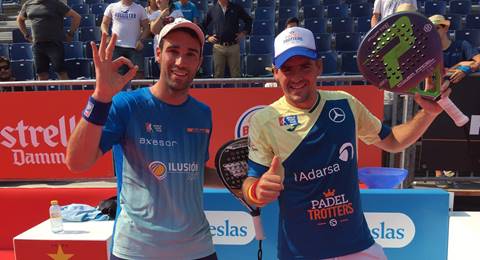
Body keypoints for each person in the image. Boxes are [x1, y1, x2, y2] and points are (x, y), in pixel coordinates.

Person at [242, 27, 447, 260]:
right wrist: (257, 190)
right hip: (301, 253)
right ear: (276, 73)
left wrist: (428, 113)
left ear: (319, 66)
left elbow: (392, 141)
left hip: (357, 247)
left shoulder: (345, 103)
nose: (297, 77)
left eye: (305, 66)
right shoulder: (264, 120)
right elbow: (250, 185)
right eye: (288, 69)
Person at [66, 18, 221, 260]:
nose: (181, 61)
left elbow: (196, 172)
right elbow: (77, 162)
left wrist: (243, 180)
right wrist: (100, 98)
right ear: (158, 54)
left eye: (191, 54)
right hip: (137, 251)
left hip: (197, 249)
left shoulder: (203, 114)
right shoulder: (126, 105)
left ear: (199, 61)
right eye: (173, 51)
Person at [16, 0, 81, 80]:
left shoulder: (56, 3)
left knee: (61, 72)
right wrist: (26, 35)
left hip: (54, 44)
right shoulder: (28, 4)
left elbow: (76, 16)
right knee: (41, 74)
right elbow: (19, 19)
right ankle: (43, 92)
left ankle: (66, 92)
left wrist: (70, 33)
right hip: (37, 45)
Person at [203, 0, 252, 78]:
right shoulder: (212, 9)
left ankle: (237, 91)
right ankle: (218, 91)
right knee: (218, 75)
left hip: (233, 46)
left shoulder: (236, 8)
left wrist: (243, 33)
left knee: (236, 75)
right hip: (218, 47)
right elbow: (202, 25)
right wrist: (208, 37)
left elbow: (248, 20)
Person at [101, 0, 150, 79]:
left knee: (138, 74)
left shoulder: (140, 9)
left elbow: (147, 27)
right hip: (116, 47)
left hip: (134, 47)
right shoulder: (112, 7)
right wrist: (106, 35)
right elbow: (104, 23)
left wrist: (141, 40)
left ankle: (137, 91)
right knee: (115, 75)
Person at [429, 14, 480, 84]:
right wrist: (460, 65)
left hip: (465, 91)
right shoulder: (430, 52)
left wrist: (465, 69)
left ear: (446, 29)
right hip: (442, 92)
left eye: (437, 28)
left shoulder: (462, 45)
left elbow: (478, 61)